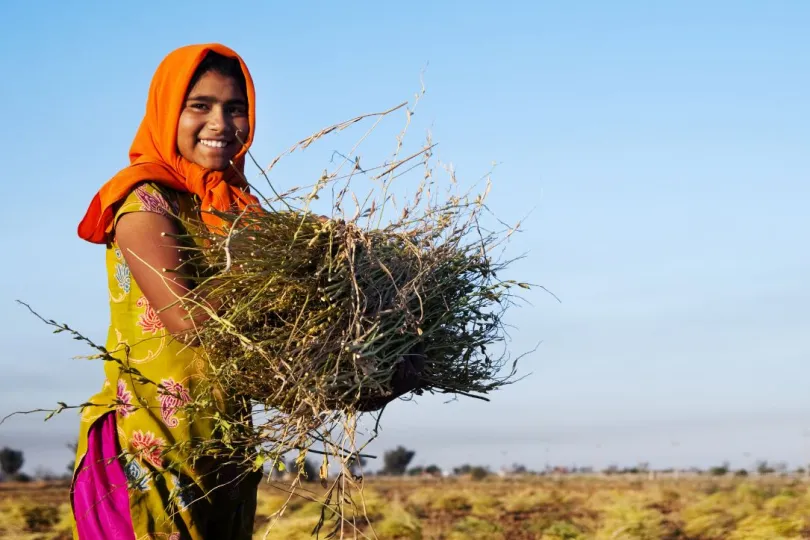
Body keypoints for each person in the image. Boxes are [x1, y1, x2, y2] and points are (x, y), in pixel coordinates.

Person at [71, 43, 263, 540]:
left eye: (235, 108)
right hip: (145, 456)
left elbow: (270, 344)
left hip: (223, 459)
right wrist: (273, 267)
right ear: (167, 110)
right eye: (199, 105)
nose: (220, 123)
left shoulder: (235, 213)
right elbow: (187, 318)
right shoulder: (142, 199)